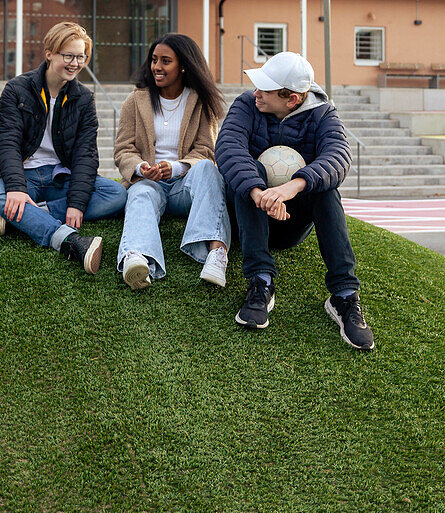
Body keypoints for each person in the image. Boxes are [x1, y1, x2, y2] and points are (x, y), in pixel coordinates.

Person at [215, 50, 375, 350]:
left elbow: (338, 157)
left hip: (291, 223)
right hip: (247, 215)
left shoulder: (323, 113)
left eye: (266, 89)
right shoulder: (247, 104)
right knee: (250, 170)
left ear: (292, 99)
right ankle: (260, 281)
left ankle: (343, 295)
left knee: (326, 188)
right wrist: (258, 192)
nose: (256, 92)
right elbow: (228, 147)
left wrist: (293, 187)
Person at [0, 22, 126, 274]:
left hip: (61, 176)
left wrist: (76, 203)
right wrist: (16, 188)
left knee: (116, 194)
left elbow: (86, 154)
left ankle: (28, 215)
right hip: (27, 176)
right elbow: (6, 142)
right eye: (68, 55)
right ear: (49, 53)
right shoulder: (18, 89)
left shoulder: (83, 98)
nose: (75, 63)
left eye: (81, 56)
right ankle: (66, 239)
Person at [114, 34, 230, 290]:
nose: (157, 67)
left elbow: (206, 150)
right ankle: (137, 258)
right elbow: (123, 149)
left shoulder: (201, 102)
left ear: (184, 65)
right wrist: (140, 168)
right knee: (140, 192)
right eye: (154, 60)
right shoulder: (135, 100)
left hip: (186, 187)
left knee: (208, 170)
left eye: (166, 61)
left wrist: (177, 167)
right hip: (150, 184)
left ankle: (216, 254)